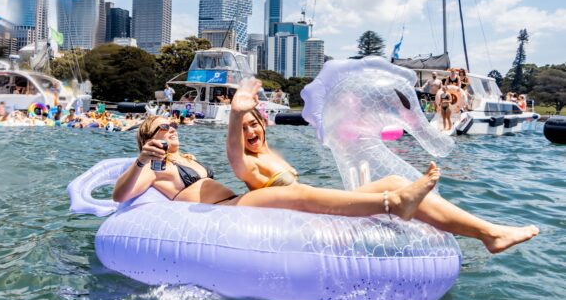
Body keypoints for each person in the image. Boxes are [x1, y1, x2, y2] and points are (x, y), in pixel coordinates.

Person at [113, 113, 538, 254]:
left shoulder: (183, 156)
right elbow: (120, 195)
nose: (169, 134)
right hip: (225, 213)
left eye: (171, 128)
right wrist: (141, 160)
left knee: (391, 177)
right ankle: (395, 203)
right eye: (159, 131)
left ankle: (488, 232)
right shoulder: (155, 165)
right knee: (298, 194)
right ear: (147, 138)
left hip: (242, 203)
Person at [223, 77, 539, 253]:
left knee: (395, 181)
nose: (250, 132)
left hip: (313, 206)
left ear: (263, 124)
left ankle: (488, 233)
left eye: (253, 125)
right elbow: (235, 159)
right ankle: (487, 234)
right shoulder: (248, 164)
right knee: (396, 193)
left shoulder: (270, 154)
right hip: (301, 220)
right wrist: (236, 113)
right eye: (244, 128)